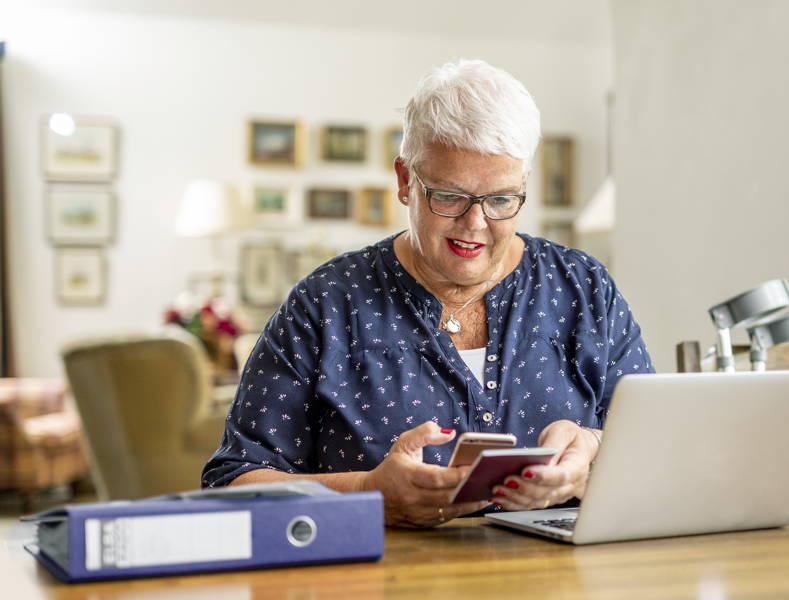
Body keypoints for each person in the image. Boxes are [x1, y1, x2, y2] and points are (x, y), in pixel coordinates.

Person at [201, 59, 654, 528]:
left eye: (500, 199)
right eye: (449, 196)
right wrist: (369, 492)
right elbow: (231, 483)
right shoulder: (325, 304)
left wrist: (591, 455)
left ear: (524, 186)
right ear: (404, 180)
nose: (475, 224)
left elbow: (655, 446)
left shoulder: (583, 288)